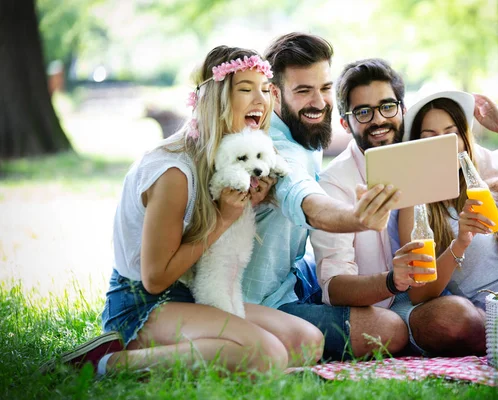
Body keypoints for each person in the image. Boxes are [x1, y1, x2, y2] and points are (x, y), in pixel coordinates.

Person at [41, 46, 325, 376]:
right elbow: (155, 279)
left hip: (193, 298)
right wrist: (224, 219)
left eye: (265, 90)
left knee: (308, 341)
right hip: (144, 307)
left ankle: (204, 358)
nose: (261, 101)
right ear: (213, 99)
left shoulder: (225, 156)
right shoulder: (174, 171)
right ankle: (105, 362)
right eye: (245, 90)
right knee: (267, 355)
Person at [241, 35, 407, 361]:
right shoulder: (271, 147)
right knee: (389, 331)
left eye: (325, 88)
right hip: (258, 301)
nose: (319, 101)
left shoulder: (303, 130)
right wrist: (357, 218)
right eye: (303, 91)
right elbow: (307, 200)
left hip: (290, 278)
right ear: (274, 93)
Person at [309, 59, 485, 358]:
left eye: (387, 106)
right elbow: (334, 289)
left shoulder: (427, 147)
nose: (378, 120)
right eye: (363, 112)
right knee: (457, 319)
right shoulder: (335, 185)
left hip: (453, 279)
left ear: (402, 109)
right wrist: (392, 280)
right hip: (390, 304)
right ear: (345, 123)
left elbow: (490, 164)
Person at [390, 90, 498, 352]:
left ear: (464, 138)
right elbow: (419, 294)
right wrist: (459, 243)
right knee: (455, 317)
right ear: (418, 146)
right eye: (430, 138)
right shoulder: (416, 207)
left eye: (451, 133)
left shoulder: (489, 188)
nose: (444, 144)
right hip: (495, 313)